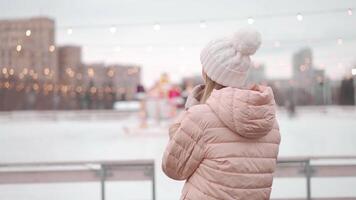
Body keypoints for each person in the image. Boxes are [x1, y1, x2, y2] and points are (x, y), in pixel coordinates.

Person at [162, 28, 281, 200]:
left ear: (207, 73)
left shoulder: (200, 118)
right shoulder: (269, 123)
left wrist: (184, 121)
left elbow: (173, 169)